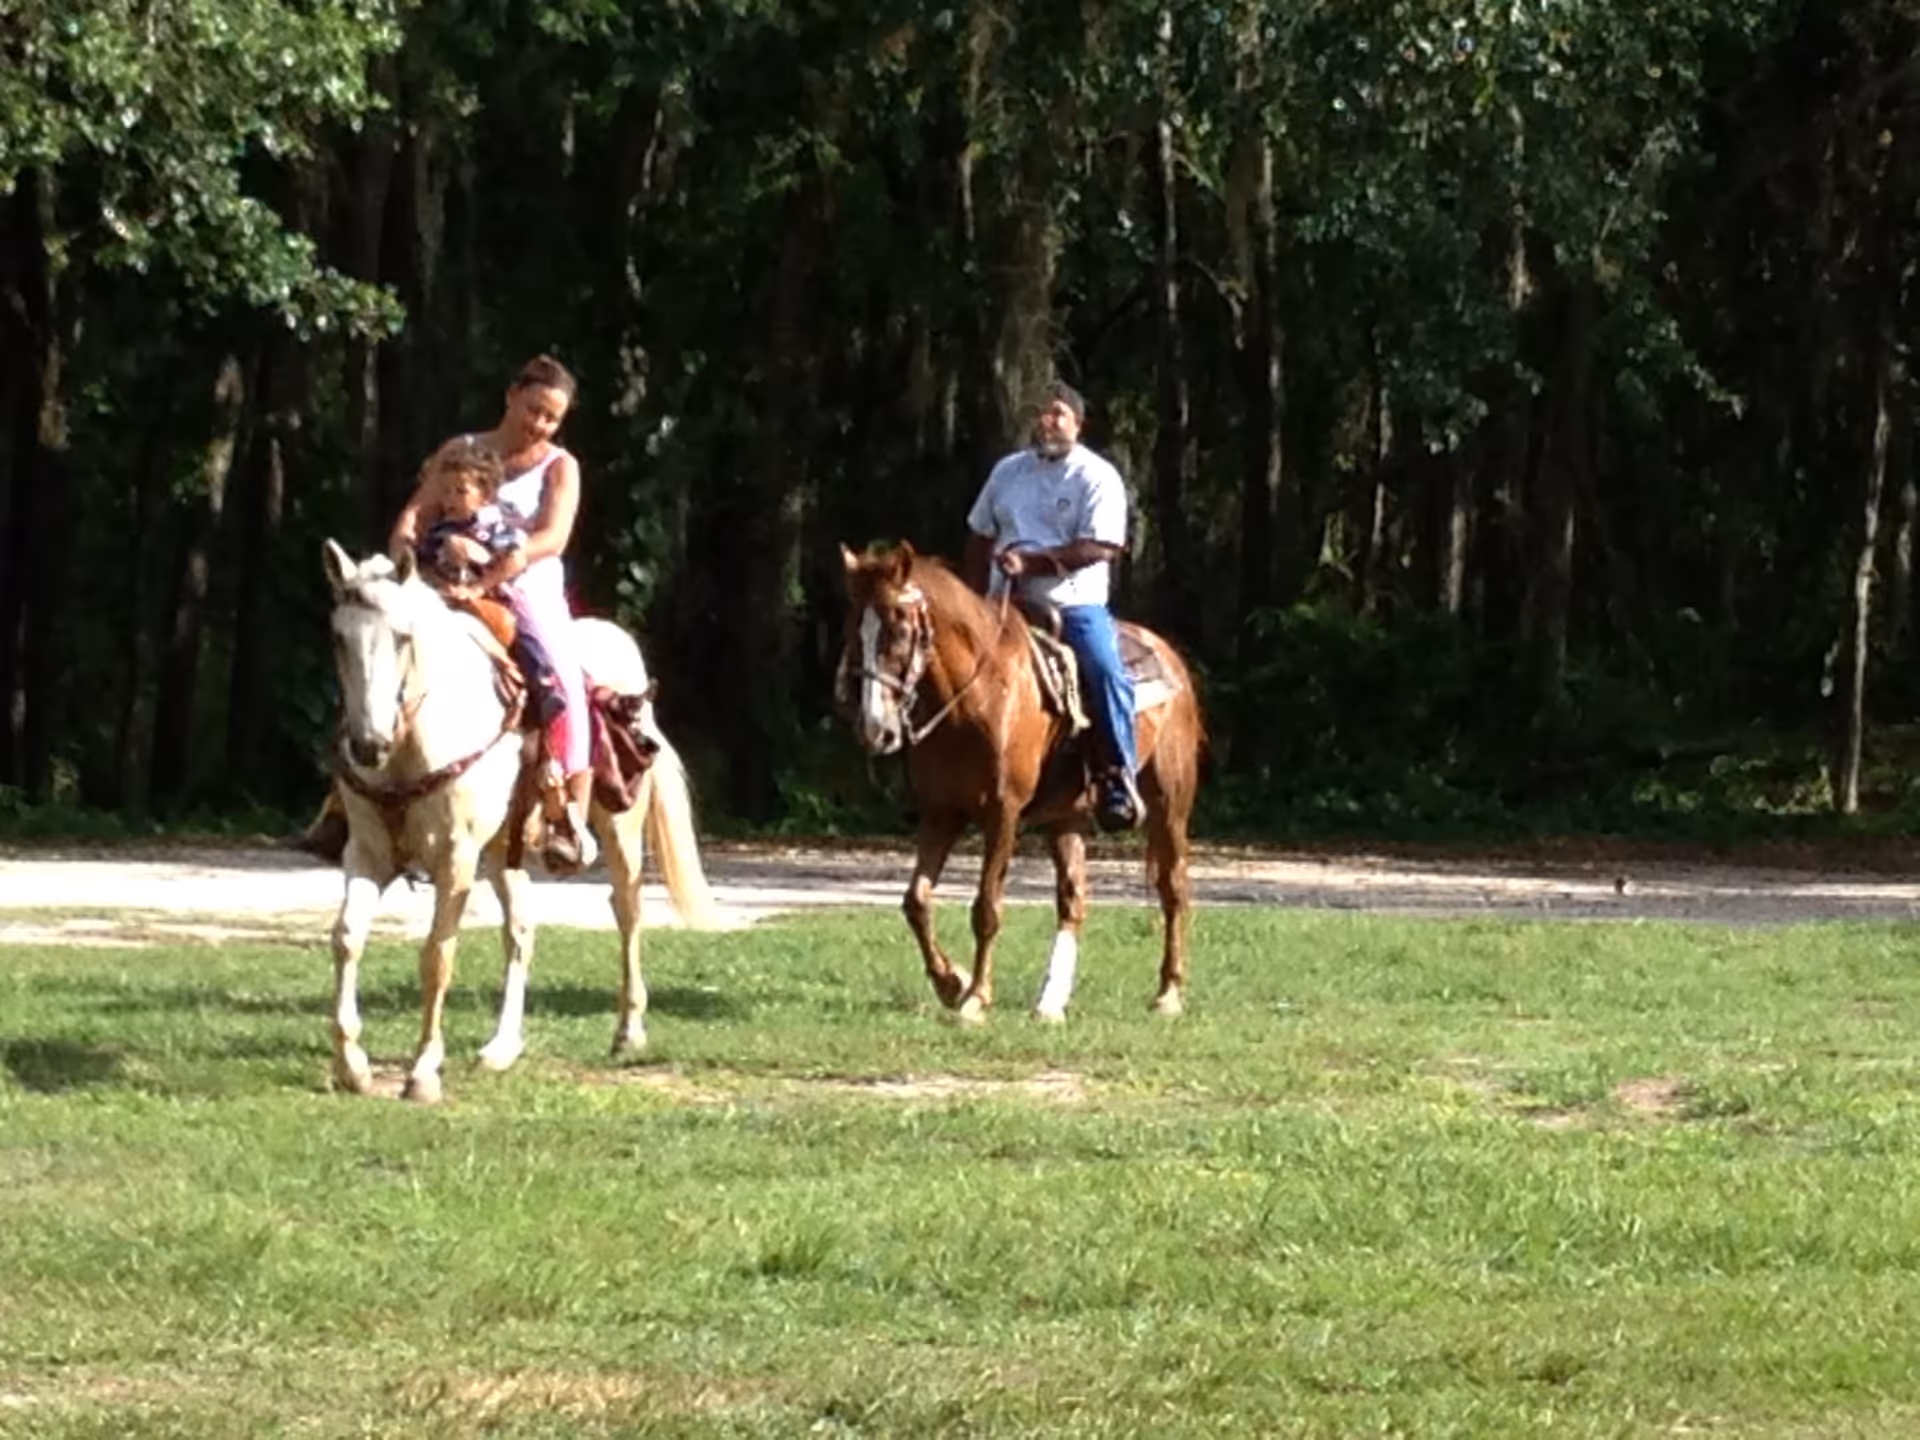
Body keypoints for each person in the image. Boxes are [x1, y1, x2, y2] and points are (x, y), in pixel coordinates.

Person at [390, 354, 597, 872]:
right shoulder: (461, 451)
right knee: (377, 645)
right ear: (511, 395)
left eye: (552, 418)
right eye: (534, 409)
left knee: (564, 679)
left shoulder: (560, 466)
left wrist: (500, 561)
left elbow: (554, 536)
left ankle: (566, 814)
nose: (540, 424)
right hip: (446, 575)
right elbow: (421, 508)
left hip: (524, 581)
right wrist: (405, 543)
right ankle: (347, 802)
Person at [962, 379, 1142, 832]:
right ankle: (942, 779)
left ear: (1078, 424)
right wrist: (971, 599)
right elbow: (981, 536)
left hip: (1072, 605)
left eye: (1058, 413)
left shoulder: (1096, 476)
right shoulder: (1007, 472)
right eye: (1041, 412)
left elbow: (1100, 547)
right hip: (1004, 604)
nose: (1047, 421)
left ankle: (1120, 776)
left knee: (1105, 669)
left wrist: (1032, 563)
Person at [408, 435, 524, 590]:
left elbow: (516, 561)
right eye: (446, 491)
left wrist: (478, 587)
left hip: (488, 601)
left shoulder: (494, 528)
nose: (451, 499)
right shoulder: (439, 531)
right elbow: (424, 565)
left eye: (461, 491)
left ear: (486, 496)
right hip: (446, 600)